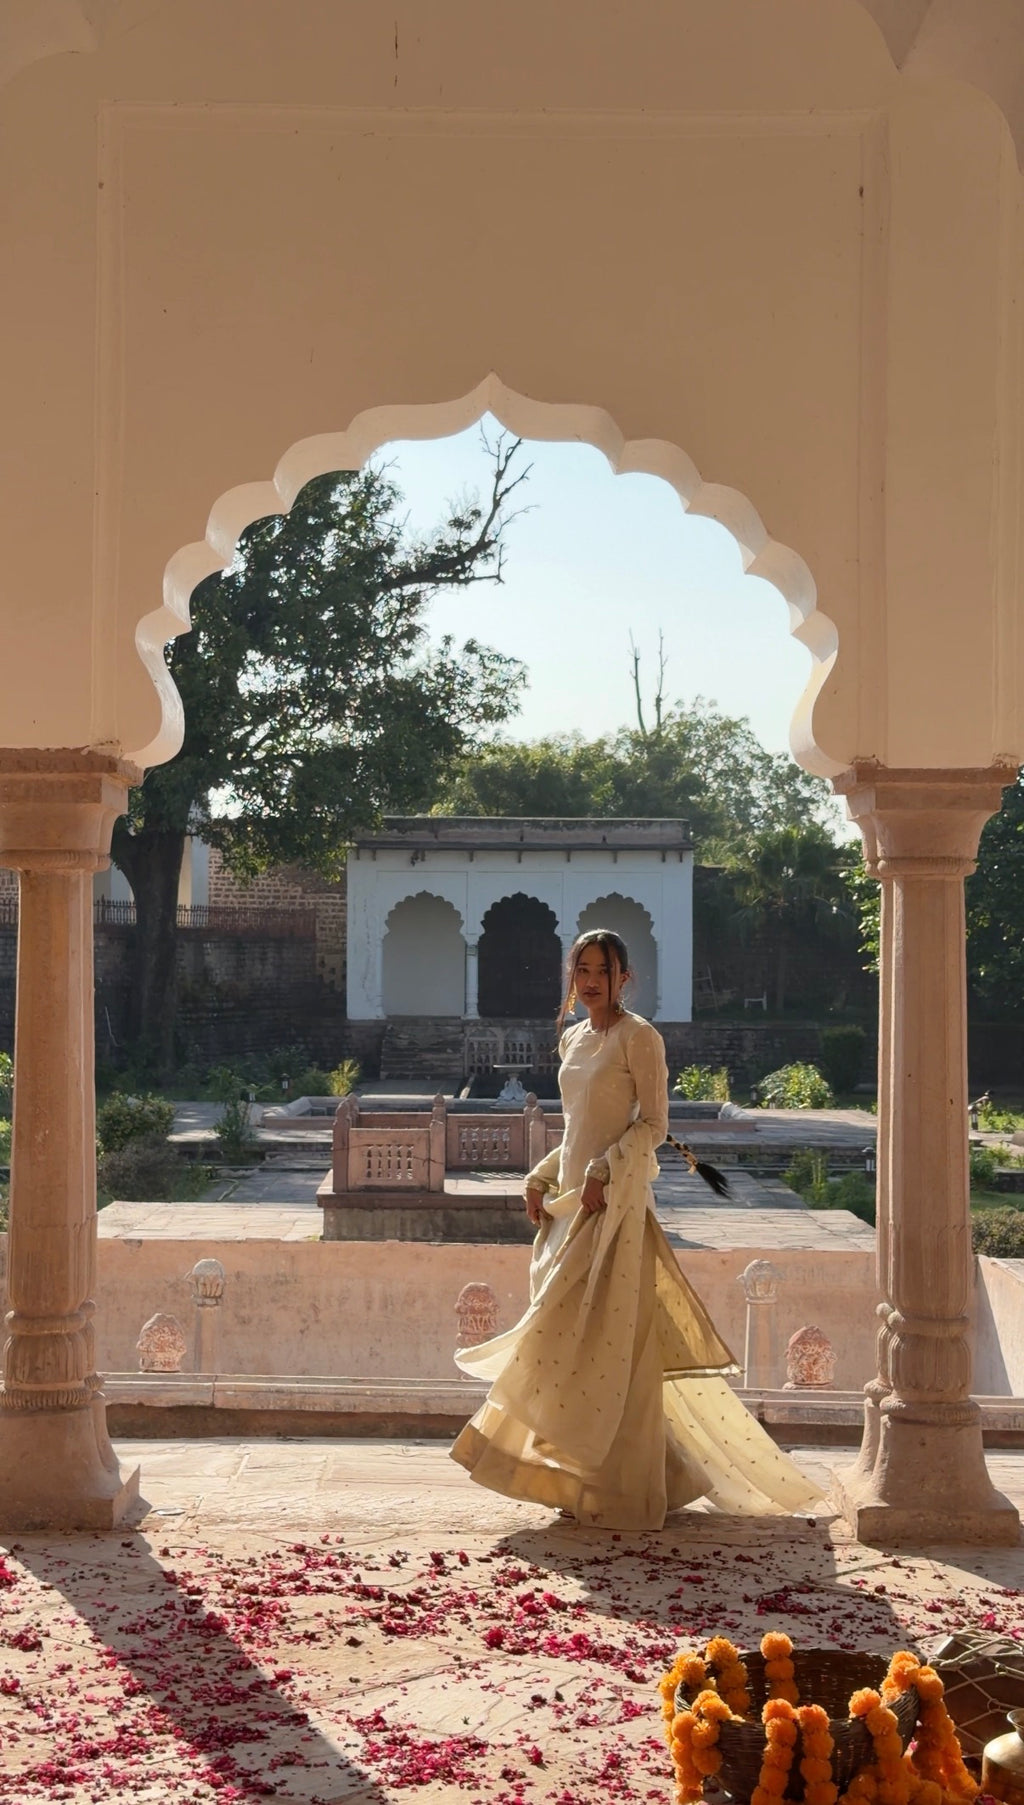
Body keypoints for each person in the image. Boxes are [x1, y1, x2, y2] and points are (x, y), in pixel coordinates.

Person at [450, 928, 824, 1532]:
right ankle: (589, 1480)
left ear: (625, 977)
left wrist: (604, 1170)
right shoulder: (573, 1036)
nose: (592, 979)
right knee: (578, 1349)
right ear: (572, 977)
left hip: (615, 1207)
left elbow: (652, 1124)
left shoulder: (640, 1037)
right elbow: (577, 1129)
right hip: (571, 1209)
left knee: (591, 1346)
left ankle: (617, 1485)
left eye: (604, 969)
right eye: (583, 969)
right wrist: (540, 1177)